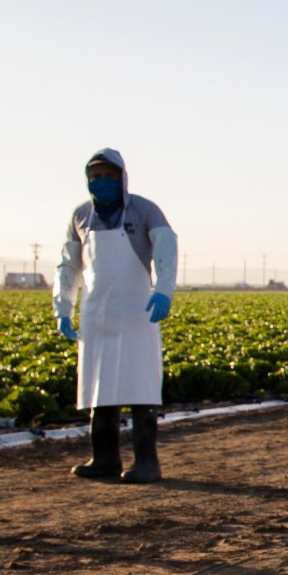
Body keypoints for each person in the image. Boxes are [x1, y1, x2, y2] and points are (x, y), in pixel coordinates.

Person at [55, 149, 178, 483]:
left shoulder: (144, 210)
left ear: (122, 177)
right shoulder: (80, 216)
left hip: (139, 312)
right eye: (95, 176)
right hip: (97, 313)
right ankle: (104, 459)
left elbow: (167, 248)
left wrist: (164, 290)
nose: (102, 182)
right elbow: (69, 265)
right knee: (100, 387)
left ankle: (147, 463)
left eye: (108, 175)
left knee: (141, 387)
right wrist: (63, 308)